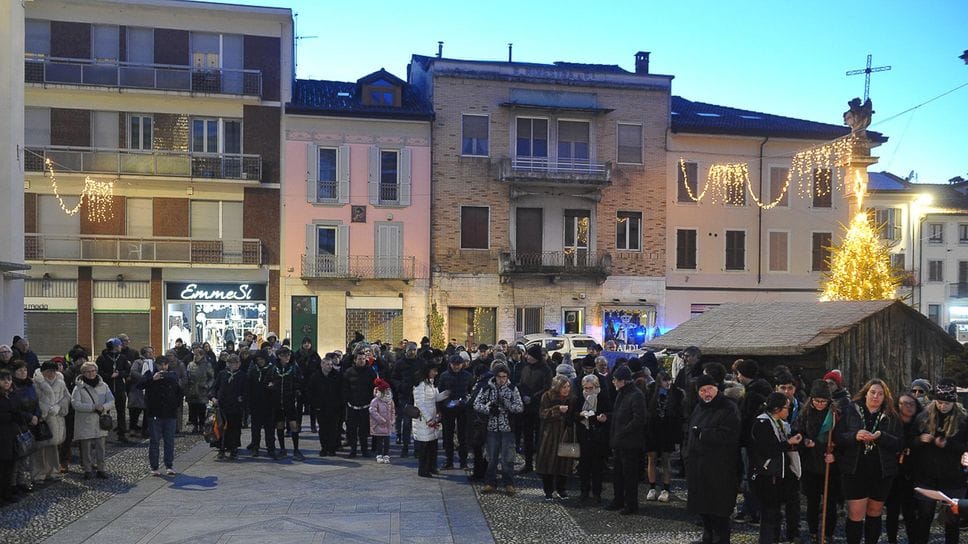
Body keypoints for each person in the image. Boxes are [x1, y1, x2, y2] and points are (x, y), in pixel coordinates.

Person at [835, 379, 902, 544]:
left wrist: (882, 437)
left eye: (880, 394)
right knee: (856, 514)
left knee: (874, 511)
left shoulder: (891, 415)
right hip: (855, 469)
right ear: (866, 393)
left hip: (881, 470)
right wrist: (854, 436)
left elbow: (900, 443)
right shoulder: (850, 411)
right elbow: (838, 437)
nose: (876, 396)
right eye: (873, 392)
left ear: (885, 397)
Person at [686, 374, 741, 544]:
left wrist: (703, 434)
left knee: (719, 512)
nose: (706, 393)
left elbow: (730, 435)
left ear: (717, 388)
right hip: (699, 467)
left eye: (709, 389)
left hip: (720, 469)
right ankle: (707, 538)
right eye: (702, 390)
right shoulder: (699, 407)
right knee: (704, 510)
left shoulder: (728, 407)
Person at [912, 378, 967, 544]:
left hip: (952, 476)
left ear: (954, 402)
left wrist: (948, 444)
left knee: (952, 519)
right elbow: (910, 441)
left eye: (946, 403)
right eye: (939, 402)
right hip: (927, 475)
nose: (942, 406)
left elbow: (965, 446)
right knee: (924, 517)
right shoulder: (923, 416)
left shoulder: (963, 420)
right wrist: (919, 439)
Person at [752, 392, 805, 544]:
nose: (788, 411)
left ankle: (777, 537)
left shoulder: (779, 422)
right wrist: (788, 443)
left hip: (780, 472)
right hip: (768, 474)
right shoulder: (762, 423)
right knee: (769, 513)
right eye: (786, 408)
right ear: (776, 409)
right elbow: (767, 448)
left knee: (777, 512)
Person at [794, 380, 840, 544]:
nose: (820, 404)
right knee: (812, 502)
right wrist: (805, 442)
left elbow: (843, 437)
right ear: (811, 399)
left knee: (830, 502)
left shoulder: (836, 414)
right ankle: (813, 532)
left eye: (823, 401)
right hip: (811, 464)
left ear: (829, 401)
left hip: (830, 464)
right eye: (816, 400)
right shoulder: (805, 414)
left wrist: (835, 449)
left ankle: (828, 534)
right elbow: (797, 433)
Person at [474, 362, 523, 494]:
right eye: (499, 376)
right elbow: (476, 404)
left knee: (507, 458)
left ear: (507, 377)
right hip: (491, 428)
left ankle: (509, 483)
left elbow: (519, 407)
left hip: (507, 428)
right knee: (491, 458)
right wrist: (488, 409)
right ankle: (490, 483)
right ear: (495, 376)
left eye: (504, 377)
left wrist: (507, 405)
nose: (501, 379)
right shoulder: (487, 388)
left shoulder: (512, 389)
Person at [605, 365, 647, 515]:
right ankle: (618, 500)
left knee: (629, 476)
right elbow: (618, 414)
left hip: (630, 443)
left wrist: (623, 431)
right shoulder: (622, 393)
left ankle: (631, 504)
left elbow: (639, 419)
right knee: (618, 474)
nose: (613, 382)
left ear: (623, 381)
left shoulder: (636, 395)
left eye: (615, 380)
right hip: (619, 442)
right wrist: (608, 418)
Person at [886, 390, 922, 544]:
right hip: (893, 473)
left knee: (911, 513)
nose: (907, 407)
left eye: (911, 403)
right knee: (892, 512)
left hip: (913, 475)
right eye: (903, 403)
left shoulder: (922, 424)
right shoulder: (891, 423)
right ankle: (892, 540)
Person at [136, 355, 182, 476]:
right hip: (154, 413)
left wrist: (175, 405)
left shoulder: (172, 375)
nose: (163, 367)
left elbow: (179, 392)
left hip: (170, 413)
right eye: (160, 364)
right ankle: (154, 467)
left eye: (165, 364)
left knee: (169, 440)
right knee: (155, 441)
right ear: (156, 365)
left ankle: (169, 465)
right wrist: (152, 379)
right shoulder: (150, 374)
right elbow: (139, 386)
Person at [644, 370, 684, 503]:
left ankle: (666, 488)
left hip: (668, 430)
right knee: (652, 458)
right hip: (652, 429)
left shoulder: (677, 393)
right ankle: (652, 487)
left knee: (666, 459)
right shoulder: (650, 391)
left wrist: (677, 435)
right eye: (665, 380)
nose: (668, 383)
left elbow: (679, 414)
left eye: (669, 380)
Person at [71, 361, 115, 479]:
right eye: (88, 371)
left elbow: (111, 400)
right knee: (86, 448)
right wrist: (92, 407)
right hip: (85, 421)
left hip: (100, 420)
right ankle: (88, 469)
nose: (91, 373)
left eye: (93, 371)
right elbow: (75, 404)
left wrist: (104, 407)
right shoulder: (78, 387)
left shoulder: (103, 385)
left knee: (101, 447)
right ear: (83, 373)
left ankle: (101, 469)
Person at [536, 375, 576, 501]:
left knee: (565, 462)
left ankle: (561, 489)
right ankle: (548, 490)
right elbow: (542, 414)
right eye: (564, 387)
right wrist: (557, 409)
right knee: (548, 462)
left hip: (566, 434)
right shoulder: (547, 396)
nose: (566, 389)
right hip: (550, 435)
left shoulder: (572, 399)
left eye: (568, 386)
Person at [574, 373, 612, 504]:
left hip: (598, 435)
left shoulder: (602, 397)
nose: (588, 391)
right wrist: (580, 414)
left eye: (590, 388)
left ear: (596, 386)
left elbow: (610, 413)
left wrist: (603, 417)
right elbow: (573, 415)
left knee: (597, 467)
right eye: (585, 388)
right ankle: (584, 491)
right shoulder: (580, 397)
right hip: (584, 434)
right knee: (583, 466)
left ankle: (597, 493)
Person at [30, 361, 70, 485]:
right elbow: (33, 401)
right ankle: (38, 475)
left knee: (53, 448)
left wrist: (58, 408)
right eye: (48, 371)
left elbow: (67, 397)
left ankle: (53, 472)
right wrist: (46, 410)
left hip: (56, 419)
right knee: (39, 449)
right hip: (42, 420)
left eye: (53, 371)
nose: (51, 374)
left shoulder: (61, 382)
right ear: (43, 371)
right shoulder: (35, 383)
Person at [518, 344, 552, 474]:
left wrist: (533, 397)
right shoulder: (526, 368)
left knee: (539, 438)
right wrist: (522, 395)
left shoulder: (546, 370)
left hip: (539, 408)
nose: (527, 357)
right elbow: (522, 383)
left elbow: (547, 388)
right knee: (526, 437)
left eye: (530, 355)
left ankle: (540, 464)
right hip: (526, 408)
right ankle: (527, 464)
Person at [209, 353, 247, 460]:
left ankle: (233, 448)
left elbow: (246, 391)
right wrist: (213, 397)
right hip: (222, 406)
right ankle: (221, 449)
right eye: (230, 363)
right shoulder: (222, 374)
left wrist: (242, 399)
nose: (232, 365)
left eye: (235, 363)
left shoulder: (242, 375)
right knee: (221, 428)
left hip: (235, 406)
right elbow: (214, 388)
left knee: (234, 428)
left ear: (239, 364)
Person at [438, 354, 473, 469]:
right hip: (448, 409)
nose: (456, 367)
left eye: (459, 364)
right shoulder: (444, 376)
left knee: (463, 436)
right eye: (454, 365)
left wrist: (466, 401)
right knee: (448, 436)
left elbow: (471, 392)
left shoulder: (467, 376)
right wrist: (440, 409)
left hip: (463, 409)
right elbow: (440, 393)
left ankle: (463, 461)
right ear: (450, 364)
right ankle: (449, 461)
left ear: (462, 364)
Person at [413, 360, 446, 477]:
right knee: (424, 446)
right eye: (434, 371)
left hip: (432, 418)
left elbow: (435, 398)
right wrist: (428, 419)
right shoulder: (420, 384)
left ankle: (431, 466)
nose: (436, 373)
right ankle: (423, 469)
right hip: (424, 420)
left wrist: (447, 393)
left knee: (433, 444)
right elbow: (420, 403)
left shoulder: (431, 383)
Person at [95, 338, 131, 444]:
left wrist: (119, 374)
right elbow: (98, 372)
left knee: (121, 412)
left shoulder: (122, 357)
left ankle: (122, 434)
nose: (121, 347)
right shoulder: (102, 358)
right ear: (115, 347)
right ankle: (103, 434)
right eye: (119, 345)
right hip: (106, 387)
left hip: (120, 387)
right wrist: (109, 376)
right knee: (104, 411)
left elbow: (127, 371)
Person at [272, 347, 304, 461]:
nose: (287, 357)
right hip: (277, 401)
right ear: (279, 356)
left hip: (289, 401)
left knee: (294, 425)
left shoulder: (293, 367)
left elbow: (300, 380)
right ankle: (282, 449)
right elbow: (269, 380)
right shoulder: (274, 368)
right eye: (284, 355)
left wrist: (296, 390)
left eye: (288, 355)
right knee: (280, 425)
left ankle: (296, 449)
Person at [343, 350, 377, 458]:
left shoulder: (370, 372)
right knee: (352, 430)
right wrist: (347, 399)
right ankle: (353, 450)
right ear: (355, 360)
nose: (361, 361)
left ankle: (364, 450)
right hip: (352, 406)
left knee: (364, 430)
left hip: (365, 406)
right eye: (359, 359)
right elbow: (344, 388)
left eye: (363, 359)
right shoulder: (349, 372)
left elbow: (374, 387)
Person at [308, 354, 342, 456]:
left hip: (334, 408)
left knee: (333, 429)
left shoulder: (337, 376)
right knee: (323, 429)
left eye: (331, 364)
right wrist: (315, 404)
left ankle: (332, 448)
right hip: (321, 408)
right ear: (322, 365)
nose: (330, 366)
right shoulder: (315, 376)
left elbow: (341, 391)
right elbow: (310, 392)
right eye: (327, 364)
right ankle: (324, 448)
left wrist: (339, 404)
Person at [390, 342, 420, 458]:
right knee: (406, 423)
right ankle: (405, 447)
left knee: (417, 423)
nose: (412, 352)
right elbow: (394, 377)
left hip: (418, 396)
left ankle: (417, 448)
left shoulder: (420, 362)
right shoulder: (400, 363)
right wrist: (400, 386)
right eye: (410, 350)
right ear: (406, 350)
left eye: (414, 350)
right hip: (405, 396)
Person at [0, 370, 25, 504]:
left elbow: (19, 411)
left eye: (9, 379)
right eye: (3, 379)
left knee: (10, 465)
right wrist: (12, 415)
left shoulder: (13, 394)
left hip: (12, 434)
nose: (7, 382)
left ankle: (7, 493)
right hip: (2, 434)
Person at [247, 350, 278, 458]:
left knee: (269, 429)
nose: (260, 362)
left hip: (269, 403)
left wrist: (272, 385)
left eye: (262, 359)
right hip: (256, 403)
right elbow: (249, 387)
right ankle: (255, 447)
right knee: (255, 428)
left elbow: (276, 383)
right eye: (258, 360)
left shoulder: (272, 369)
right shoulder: (253, 371)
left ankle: (271, 448)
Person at [294, 338, 321, 433]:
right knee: (299, 407)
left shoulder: (314, 355)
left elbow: (319, 368)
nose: (306, 345)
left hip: (312, 384)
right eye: (304, 343)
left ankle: (313, 425)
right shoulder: (297, 354)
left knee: (313, 407)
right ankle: (298, 425)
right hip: (301, 384)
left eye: (308, 343)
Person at [127, 347, 156, 438]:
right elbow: (133, 372)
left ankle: (145, 430)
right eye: (149, 352)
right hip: (138, 389)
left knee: (147, 411)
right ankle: (133, 428)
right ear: (144, 353)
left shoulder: (153, 362)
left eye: (152, 352)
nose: (151, 354)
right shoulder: (138, 362)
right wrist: (144, 378)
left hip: (149, 390)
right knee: (135, 410)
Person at [185, 346, 214, 435]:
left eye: (197, 355)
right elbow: (187, 376)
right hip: (192, 390)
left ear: (202, 355)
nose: (195, 357)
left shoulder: (207, 365)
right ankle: (195, 425)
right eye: (194, 355)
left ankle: (201, 426)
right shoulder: (190, 364)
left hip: (202, 391)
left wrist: (207, 385)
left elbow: (212, 377)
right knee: (192, 409)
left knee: (201, 410)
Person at [369, 378, 395, 464]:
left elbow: (392, 411)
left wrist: (392, 420)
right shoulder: (376, 400)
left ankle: (386, 455)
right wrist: (381, 419)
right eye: (386, 390)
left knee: (387, 441)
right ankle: (379, 455)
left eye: (388, 390)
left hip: (387, 425)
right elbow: (372, 411)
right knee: (379, 441)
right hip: (379, 424)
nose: (388, 392)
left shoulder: (390, 401)